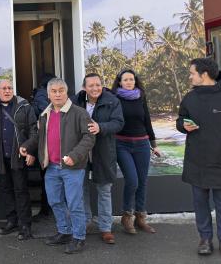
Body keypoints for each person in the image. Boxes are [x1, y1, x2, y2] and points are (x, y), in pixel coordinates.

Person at [177, 58, 221, 261]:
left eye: (192, 73)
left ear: (204, 74)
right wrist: (183, 126)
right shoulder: (189, 98)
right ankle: (205, 239)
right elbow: (181, 119)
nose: (190, 77)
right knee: (200, 202)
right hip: (196, 158)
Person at [21, 78, 95, 254]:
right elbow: (39, 138)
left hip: (73, 168)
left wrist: (74, 156)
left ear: (66, 92)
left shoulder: (79, 113)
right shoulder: (45, 115)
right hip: (52, 167)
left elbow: (89, 137)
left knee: (75, 204)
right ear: (48, 94)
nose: (57, 94)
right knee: (54, 201)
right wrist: (27, 146)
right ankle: (64, 232)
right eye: (53, 91)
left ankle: (79, 238)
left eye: (61, 90)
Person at [71, 73, 124, 244]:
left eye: (98, 85)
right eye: (91, 85)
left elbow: (118, 123)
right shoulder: (75, 101)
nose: (95, 88)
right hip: (81, 152)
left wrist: (100, 127)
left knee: (104, 190)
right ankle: (85, 222)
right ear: (84, 87)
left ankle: (106, 228)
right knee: (82, 188)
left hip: (104, 151)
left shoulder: (112, 100)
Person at [0, 79, 38, 240]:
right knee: (6, 190)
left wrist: (30, 150)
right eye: (4, 88)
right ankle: (11, 221)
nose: (7, 91)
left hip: (19, 157)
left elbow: (34, 131)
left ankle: (25, 225)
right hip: (0, 157)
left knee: (21, 191)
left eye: (10, 88)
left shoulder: (25, 106)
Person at [111, 69, 159, 235]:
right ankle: (127, 215)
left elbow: (147, 120)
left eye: (132, 79)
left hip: (142, 144)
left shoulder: (141, 96)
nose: (129, 82)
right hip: (121, 144)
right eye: (126, 80)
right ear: (120, 82)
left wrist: (154, 144)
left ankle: (140, 217)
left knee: (142, 181)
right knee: (132, 180)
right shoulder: (114, 98)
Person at [30, 73, 55, 221]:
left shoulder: (39, 95)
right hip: (46, 143)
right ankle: (47, 208)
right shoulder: (42, 97)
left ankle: (47, 208)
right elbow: (49, 114)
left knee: (47, 176)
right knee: (49, 177)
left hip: (44, 142)